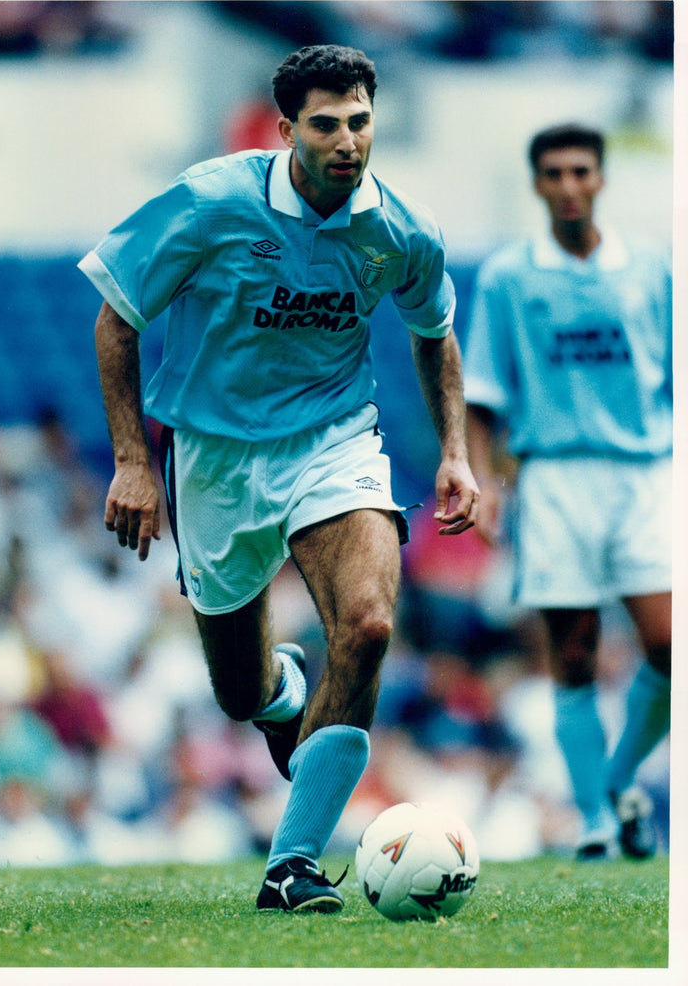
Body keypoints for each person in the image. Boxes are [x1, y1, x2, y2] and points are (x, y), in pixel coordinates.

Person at [80, 44, 478, 911]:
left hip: (334, 441)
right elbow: (117, 320)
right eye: (326, 123)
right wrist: (133, 461)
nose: (346, 141)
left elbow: (433, 327)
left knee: (369, 625)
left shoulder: (401, 228)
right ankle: (282, 693)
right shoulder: (210, 201)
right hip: (215, 454)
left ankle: (291, 863)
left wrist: (453, 450)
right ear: (287, 127)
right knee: (239, 693)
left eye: (360, 121)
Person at [463, 123, 671, 861]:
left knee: (669, 645)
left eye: (581, 170)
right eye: (553, 172)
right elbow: (482, 389)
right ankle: (593, 818)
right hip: (553, 476)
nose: (568, 184)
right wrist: (483, 478)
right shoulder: (509, 278)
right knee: (573, 653)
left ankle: (614, 784)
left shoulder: (653, 270)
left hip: (645, 471)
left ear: (601, 178)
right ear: (538, 184)